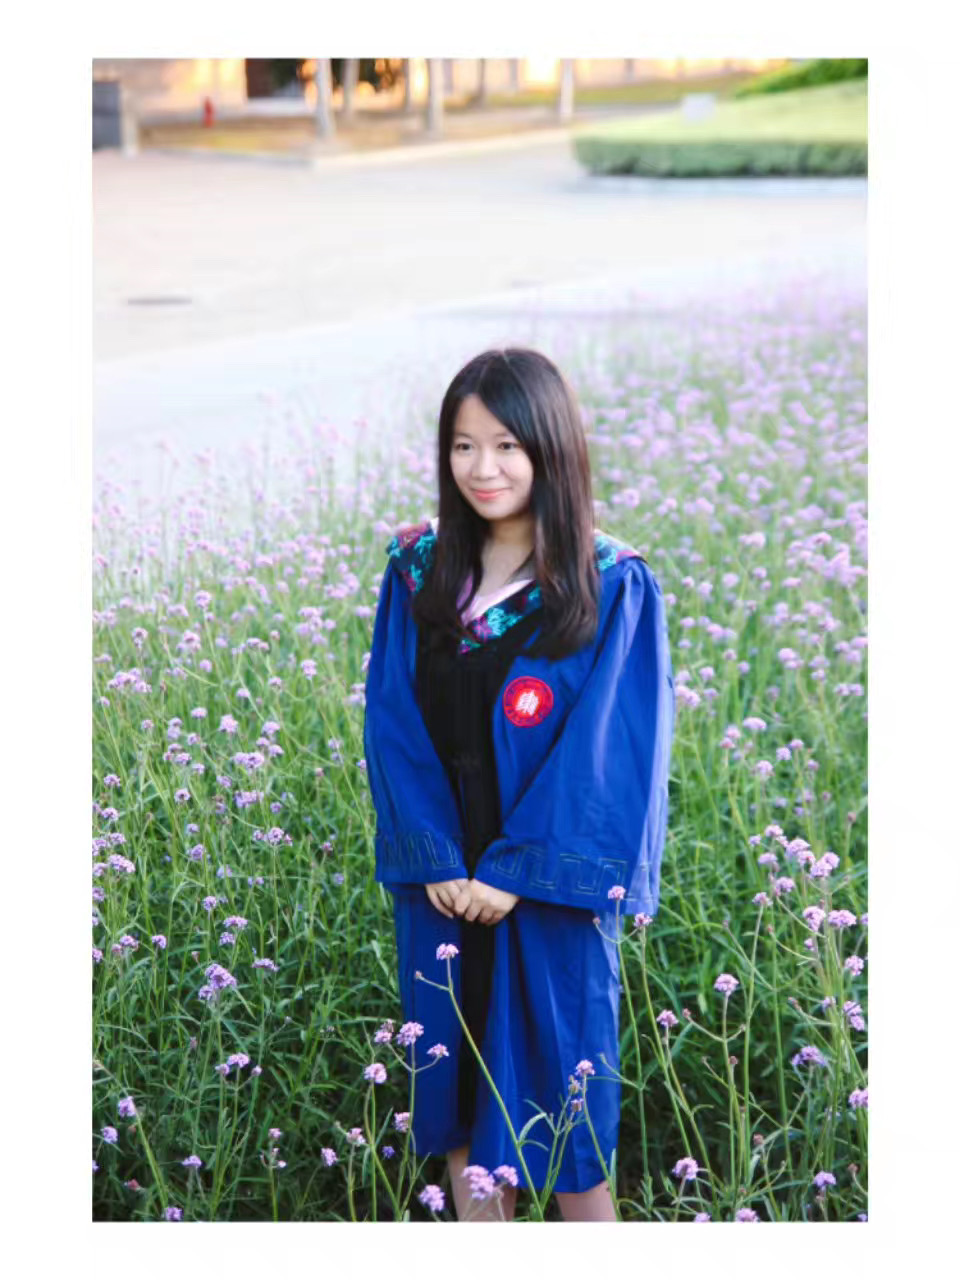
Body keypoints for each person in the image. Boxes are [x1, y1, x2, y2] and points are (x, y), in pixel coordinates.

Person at [363, 348, 675, 1222]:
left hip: (547, 894)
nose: (483, 468)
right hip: (443, 885)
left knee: (568, 1122)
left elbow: (609, 755)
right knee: (456, 1103)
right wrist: (432, 853)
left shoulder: (608, 582)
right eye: (464, 446)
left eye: (507, 445)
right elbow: (393, 722)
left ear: (551, 449)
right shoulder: (420, 569)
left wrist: (515, 870)